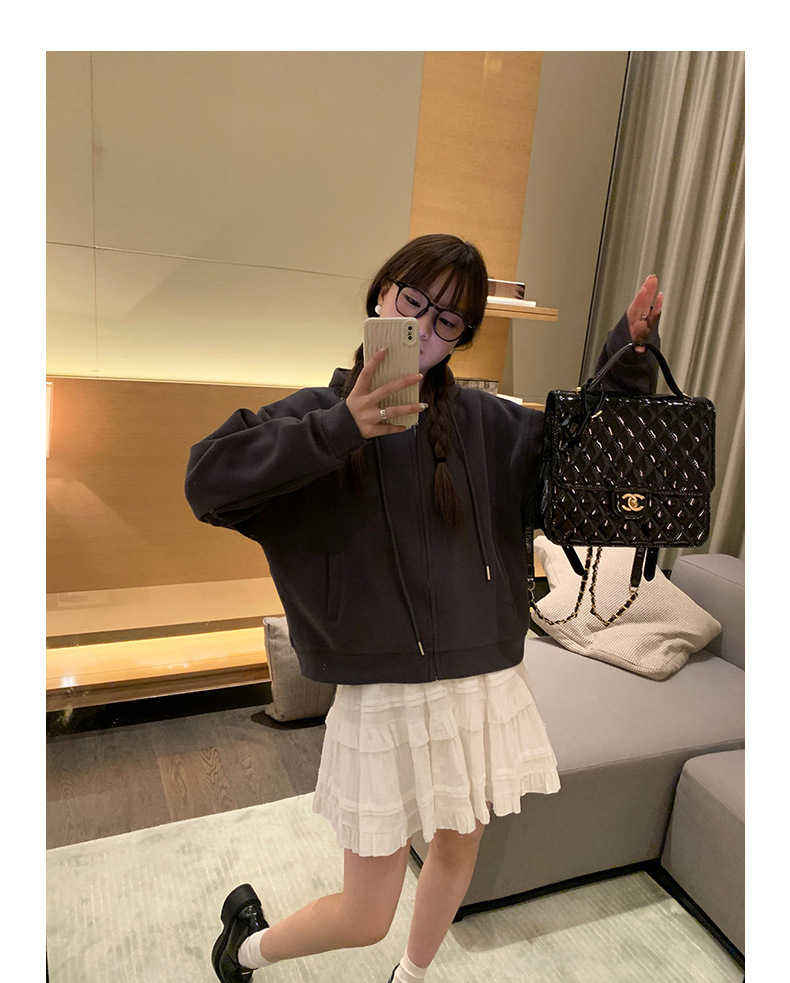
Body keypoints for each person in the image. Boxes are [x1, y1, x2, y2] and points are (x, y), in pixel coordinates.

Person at [184, 233, 663, 983]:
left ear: (461, 338)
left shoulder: (486, 423)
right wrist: (339, 429)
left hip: (483, 684)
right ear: (382, 293)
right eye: (414, 301)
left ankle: (410, 977)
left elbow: (581, 453)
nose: (425, 327)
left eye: (448, 321)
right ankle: (243, 949)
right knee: (366, 913)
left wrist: (628, 358)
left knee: (459, 847)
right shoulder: (313, 417)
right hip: (383, 695)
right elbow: (208, 481)